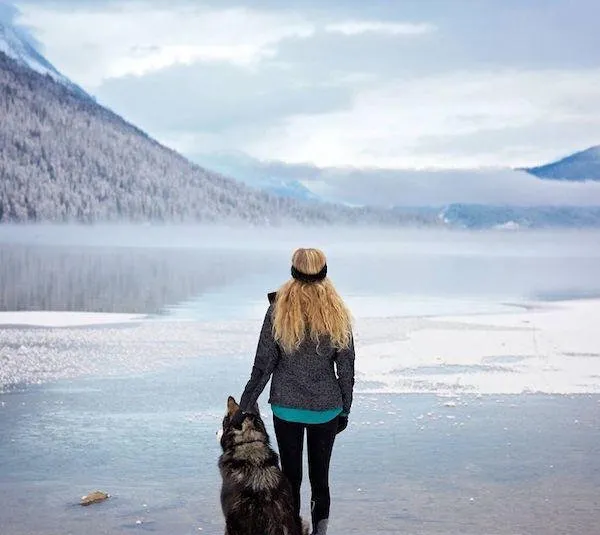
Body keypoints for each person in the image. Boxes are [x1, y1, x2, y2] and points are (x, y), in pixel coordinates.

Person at [232, 247, 355, 535]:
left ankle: (292, 530)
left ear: (293, 270)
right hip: (326, 409)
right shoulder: (337, 312)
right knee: (320, 480)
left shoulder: (278, 309)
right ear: (324, 272)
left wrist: (246, 405)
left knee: (290, 479)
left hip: (286, 407)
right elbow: (346, 368)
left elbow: (263, 365)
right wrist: (345, 409)